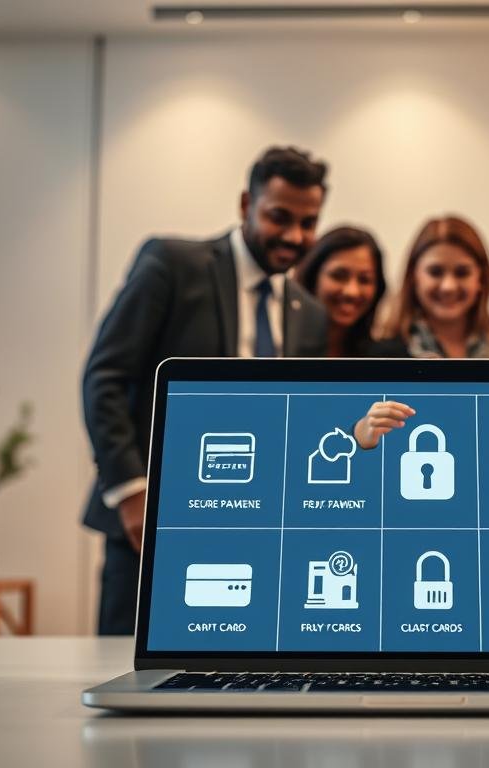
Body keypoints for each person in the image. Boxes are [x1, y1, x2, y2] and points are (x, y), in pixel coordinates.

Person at [82, 146, 329, 635]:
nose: (294, 236)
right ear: (245, 204)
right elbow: (105, 376)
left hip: (257, 529)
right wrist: (133, 493)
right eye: (279, 217)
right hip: (153, 524)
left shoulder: (309, 312)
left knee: (235, 676)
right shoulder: (173, 264)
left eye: (308, 222)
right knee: (131, 673)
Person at [370, 215, 489, 359]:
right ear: (413, 277)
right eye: (435, 272)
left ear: (482, 279)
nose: (448, 287)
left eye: (462, 273)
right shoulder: (381, 357)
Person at [294, 226, 387, 357]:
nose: (352, 292)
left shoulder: (382, 358)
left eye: (364, 280)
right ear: (313, 277)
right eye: (339, 276)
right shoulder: (281, 345)